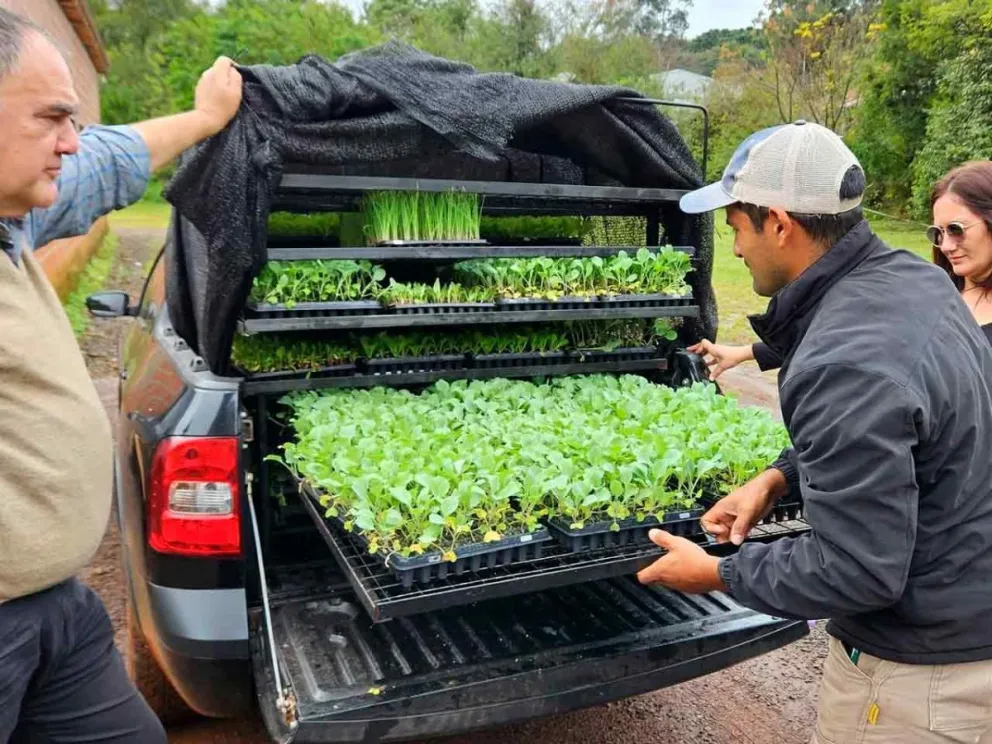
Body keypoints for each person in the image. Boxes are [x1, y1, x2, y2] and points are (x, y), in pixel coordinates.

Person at [636, 121, 992, 742]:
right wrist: (779, 477)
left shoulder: (842, 361)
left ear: (779, 223)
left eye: (736, 228)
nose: (736, 249)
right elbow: (909, 426)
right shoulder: (917, 282)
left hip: (920, 683)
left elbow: (857, 570)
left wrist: (720, 573)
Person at [0, 9, 242, 742]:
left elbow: (106, 160)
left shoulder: (13, 223)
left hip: (55, 612)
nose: (71, 142)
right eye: (51, 119)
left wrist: (205, 119)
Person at [692, 159, 992, 379]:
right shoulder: (936, 291)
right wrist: (743, 353)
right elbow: (849, 338)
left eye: (956, 229)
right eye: (937, 233)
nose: (946, 245)